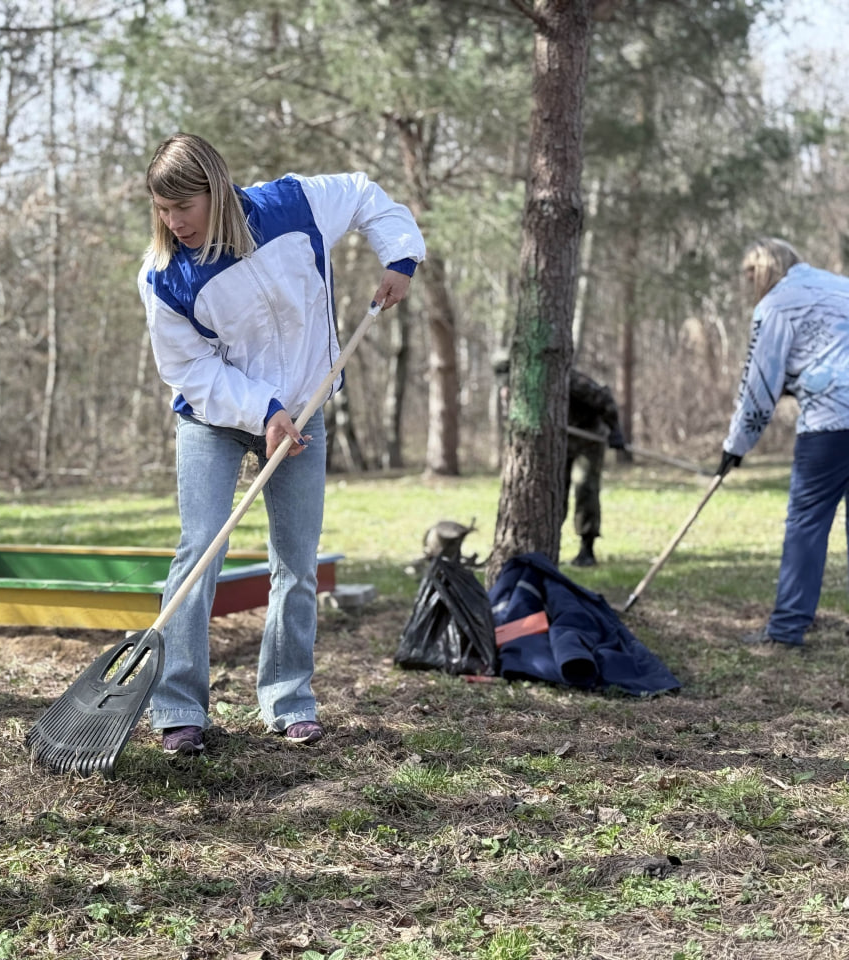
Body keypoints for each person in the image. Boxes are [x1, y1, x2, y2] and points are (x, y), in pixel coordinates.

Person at [138, 133, 426, 755]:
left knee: (297, 561)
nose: (174, 222)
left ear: (217, 191)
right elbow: (189, 370)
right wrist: (261, 410)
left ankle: (290, 699)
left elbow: (365, 196)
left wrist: (400, 256)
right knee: (200, 549)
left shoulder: (294, 205)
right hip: (214, 418)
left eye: (184, 206)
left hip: (304, 409)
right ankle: (179, 707)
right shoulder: (164, 274)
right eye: (162, 209)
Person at [716, 238, 849, 654]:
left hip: (831, 423)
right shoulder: (840, 286)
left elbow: (759, 385)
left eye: (750, 276)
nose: (750, 285)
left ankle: (787, 628)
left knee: (807, 521)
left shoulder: (776, 305)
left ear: (763, 270)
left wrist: (736, 445)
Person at [493, 356, 626, 566]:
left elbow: (603, 397)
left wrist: (615, 430)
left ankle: (587, 548)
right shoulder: (517, 393)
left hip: (588, 439)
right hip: (558, 443)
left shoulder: (565, 380)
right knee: (554, 493)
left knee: (585, 487)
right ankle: (550, 548)